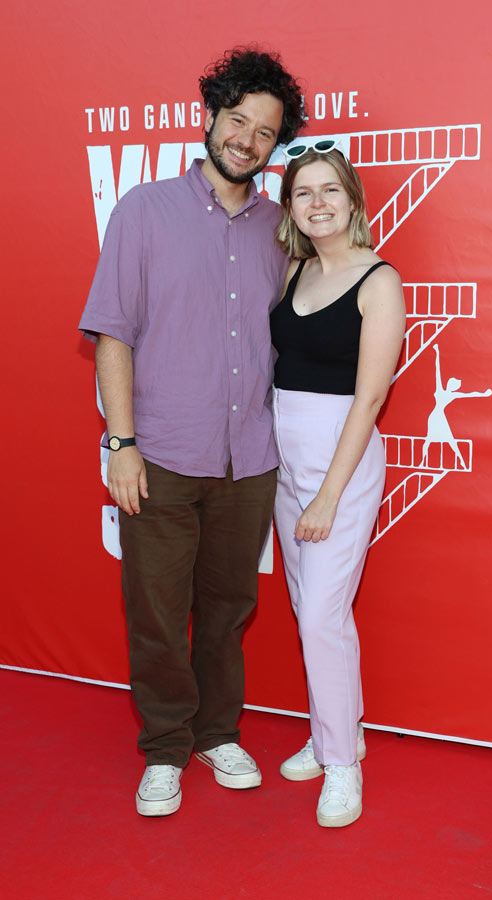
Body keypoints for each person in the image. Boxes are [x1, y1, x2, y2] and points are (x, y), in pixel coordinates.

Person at [79, 47, 304, 817]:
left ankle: (216, 733)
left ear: (276, 146)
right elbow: (112, 333)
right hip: (161, 455)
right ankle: (167, 746)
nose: (247, 139)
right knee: (155, 611)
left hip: (250, 459)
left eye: (265, 131)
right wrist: (121, 444)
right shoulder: (144, 210)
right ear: (209, 116)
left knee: (227, 608)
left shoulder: (280, 229)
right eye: (237, 120)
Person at [270, 144, 405, 827]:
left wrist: (327, 493)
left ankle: (342, 769)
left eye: (329, 190)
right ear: (290, 207)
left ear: (351, 200)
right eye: (303, 192)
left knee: (321, 616)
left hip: (340, 466)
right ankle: (337, 733)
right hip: (284, 462)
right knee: (315, 613)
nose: (317, 202)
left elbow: (370, 397)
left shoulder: (379, 280)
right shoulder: (293, 270)